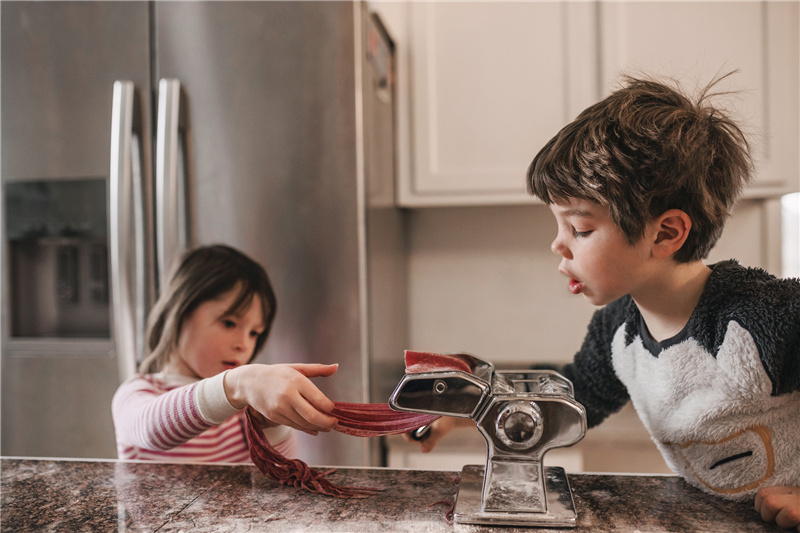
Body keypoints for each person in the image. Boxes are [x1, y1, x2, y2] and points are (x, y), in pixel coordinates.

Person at [406, 74, 800, 530]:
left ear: (666, 233)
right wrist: (466, 408)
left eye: (581, 229)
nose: (559, 245)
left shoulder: (757, 321)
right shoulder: (619, 330)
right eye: (558, 226)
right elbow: (576, 395)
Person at [112, 244, 338, 463]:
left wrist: (273, 425)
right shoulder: (137, 392)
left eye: (254, 333)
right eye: (229, 323)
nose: (243, 344)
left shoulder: (242, 411)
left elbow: (279, 473)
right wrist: (236, 384)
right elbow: (150, 429)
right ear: (179, 313)